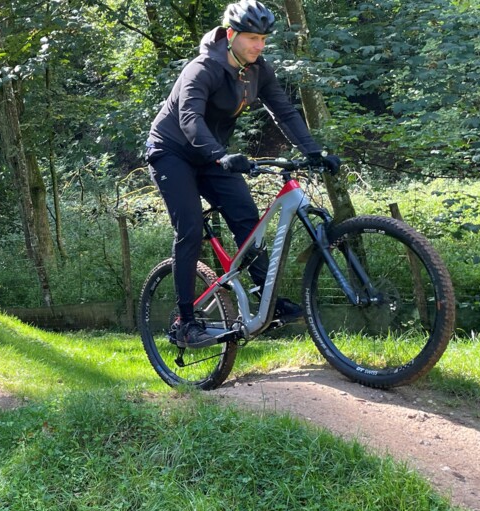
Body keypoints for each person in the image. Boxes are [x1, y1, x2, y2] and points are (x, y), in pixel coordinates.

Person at [145, 0, 341, 349]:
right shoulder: (202, 68)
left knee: (249, 222)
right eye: (253, 38)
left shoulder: (258, 70)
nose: (260, 46)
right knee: (189, 228)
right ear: (232, 35)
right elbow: (190, 118)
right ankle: (185, 322)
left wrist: (314, 152)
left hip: (212, 157)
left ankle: (266, 303)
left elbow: (284, 111)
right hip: (172, 152)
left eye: (264, 39)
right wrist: (221, 155)